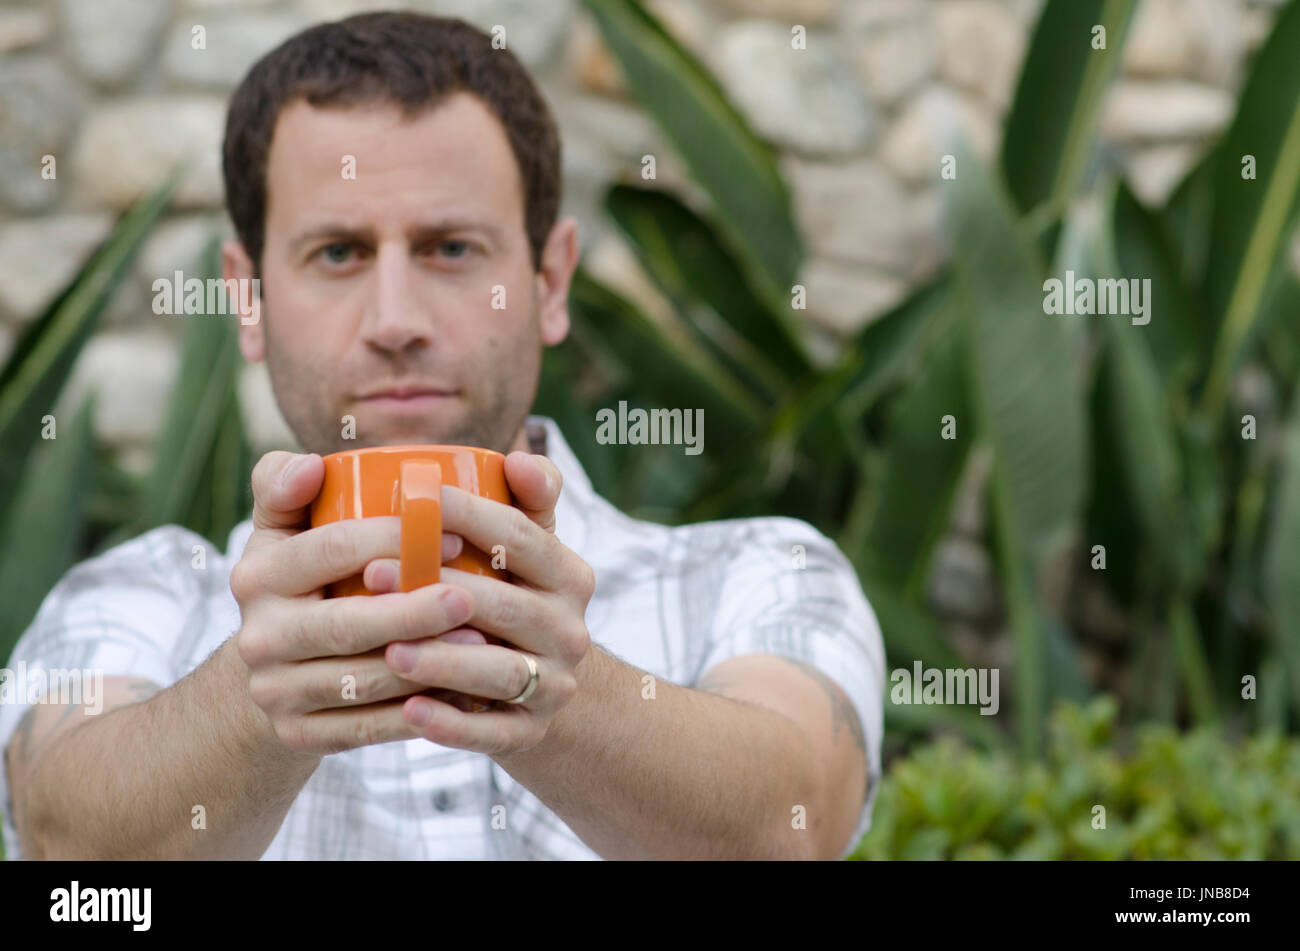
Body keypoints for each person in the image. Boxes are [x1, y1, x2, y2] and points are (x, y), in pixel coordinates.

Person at [0, 12, 883, 861]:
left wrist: (560, 696)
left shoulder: (757, 574)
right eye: (338, 253)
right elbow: (65, 849)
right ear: (248, 296)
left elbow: (792, 826)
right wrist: (251, 702)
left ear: (549, 279)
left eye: (451, 249)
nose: (396, 321)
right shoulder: (138, 596)